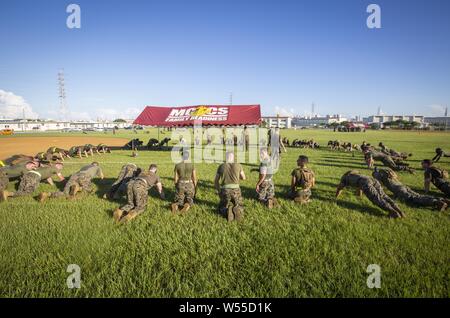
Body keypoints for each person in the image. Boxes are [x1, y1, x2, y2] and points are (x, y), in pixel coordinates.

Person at [335, 170, 405, 218]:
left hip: (365, 183)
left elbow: (339, 188)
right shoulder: (357, 175)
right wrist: (359, 195)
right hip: (373, 180)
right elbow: (359, 188)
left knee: (376, 199)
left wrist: (336, 197)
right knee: (384, 196)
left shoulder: (344, 177)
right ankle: (399, 211)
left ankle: (393, 212)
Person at [372, 168, 448, 211]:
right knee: (419, 196)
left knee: (414, 199)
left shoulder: (378, 175)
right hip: (403, 186)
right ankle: (443, 200)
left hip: (399, 190)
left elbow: (379, 185)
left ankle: (437, 203)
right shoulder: (389, 173)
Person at [38, 162, 104, 201]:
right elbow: (102, 177)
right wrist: (101, 181)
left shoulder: (85, 166)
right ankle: (74, 195)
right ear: (97, 165)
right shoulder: (98, 167)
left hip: (74, 176)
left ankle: (47, 194)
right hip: (85, 176)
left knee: (65, 192)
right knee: (88, 191)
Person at [214, 152, 246, 222]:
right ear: (233, 158)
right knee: (240, 205)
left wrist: (219, 191)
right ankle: (237, 209)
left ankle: (227, 211)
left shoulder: (221, 166)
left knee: (221, 207)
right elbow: (243, 178)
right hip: (236, 191)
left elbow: (216, 181)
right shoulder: (239, 165)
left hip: (225, 190)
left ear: (226, 157)